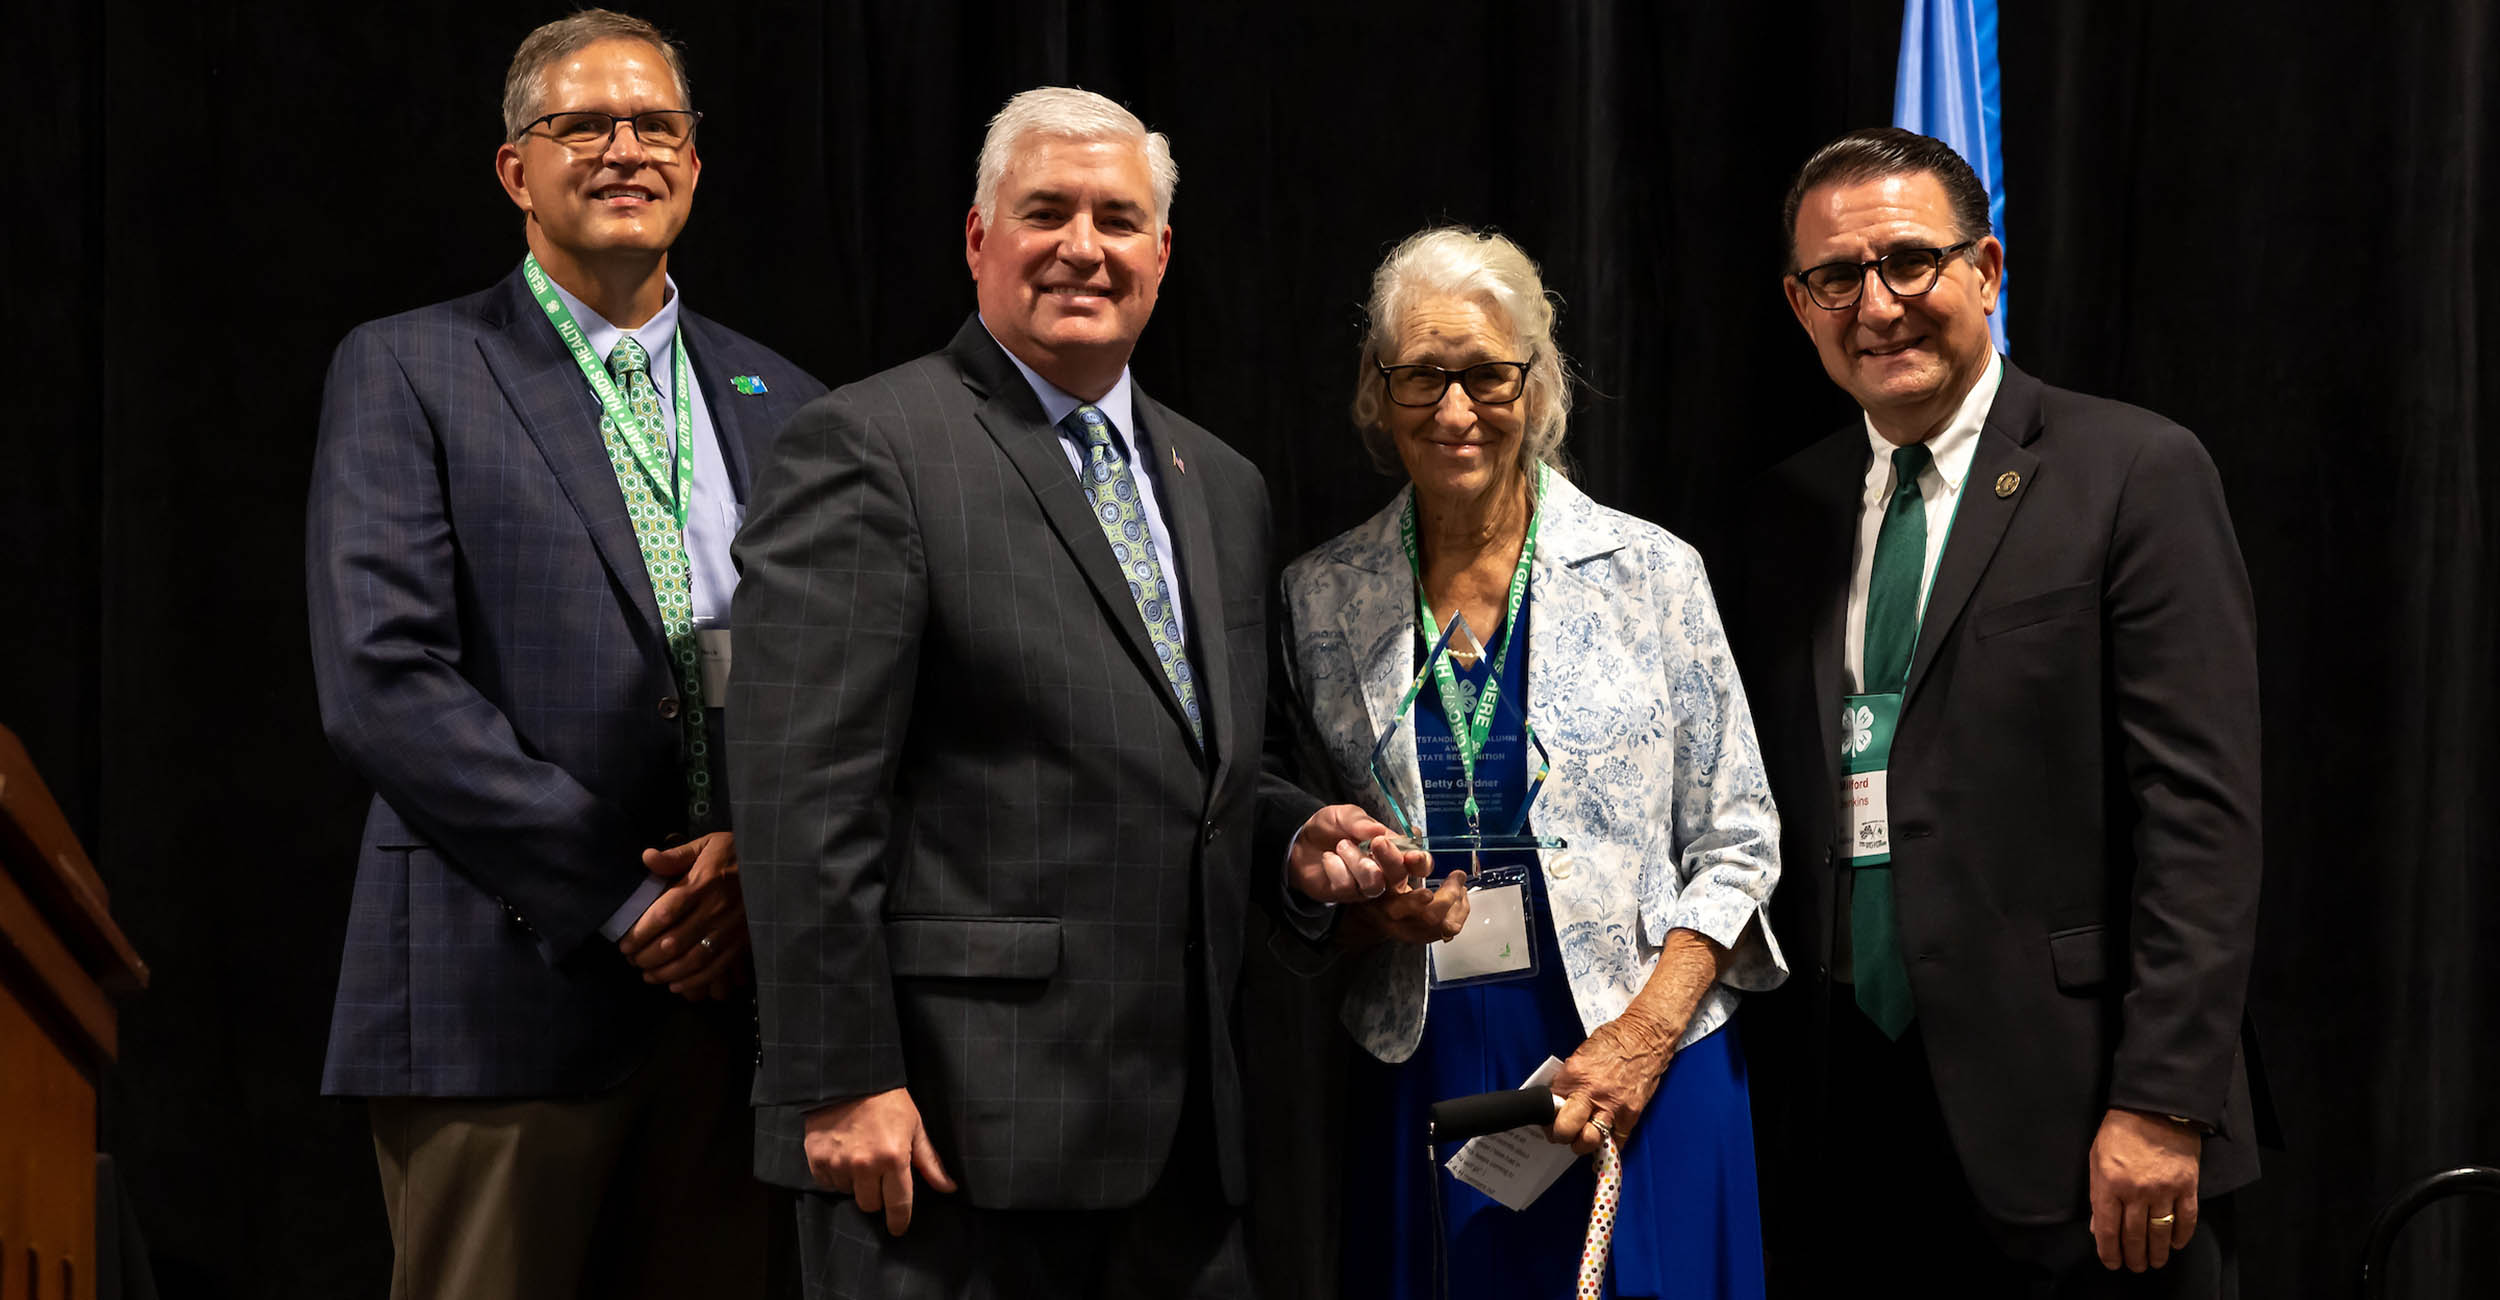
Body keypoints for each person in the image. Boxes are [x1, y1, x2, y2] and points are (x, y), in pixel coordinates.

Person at [727, 87, 1418, 1300]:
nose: (1082, 247)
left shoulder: (1222, 482)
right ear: (978, 238)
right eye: (1046, 212)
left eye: (1117, 217)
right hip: (949, 1137)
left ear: (1161, 252)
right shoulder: (869, 447)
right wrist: (835, 1077)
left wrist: (1297, 835)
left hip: (1187, 1147)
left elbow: (1204, 764)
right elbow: (800, 795)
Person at [304, 11, 824, 1298]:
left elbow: (827, 678)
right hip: (507, 989)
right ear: (513, 169)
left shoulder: (790, 401)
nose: (624, 149)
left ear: (695, 166)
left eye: (657, 125)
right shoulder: (411, 366)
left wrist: (760, 858)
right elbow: (383, 679)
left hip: (739, 998)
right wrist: (629, 893)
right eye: (580, 124)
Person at [1733, 127, 2266, 1296]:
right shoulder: (1781, 515)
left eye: (1911, 262)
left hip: (2079, 1122)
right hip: (1838, 1119)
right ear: (1798, 302)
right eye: (1837, 278)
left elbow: (2201, 819)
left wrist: (2162, 1100)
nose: (1877, 306)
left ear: (1988, 268)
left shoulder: (2131, 470)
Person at [1275, 226, 1786, 1299]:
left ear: (1536, 381)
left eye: (1485, 374)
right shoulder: (1320, 596)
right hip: (1430, 1047)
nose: (1454, 410)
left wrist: (1643, 1037)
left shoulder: (1650, 573)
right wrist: (1370, 906)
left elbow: (1740, 836)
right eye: (1421, 374)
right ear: (1379, 388)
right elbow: (1307, 857)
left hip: (1641, 1049)